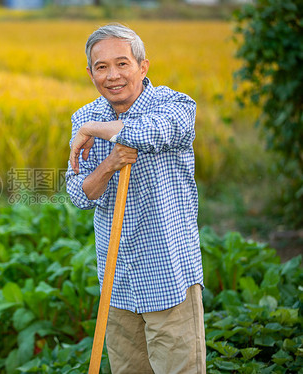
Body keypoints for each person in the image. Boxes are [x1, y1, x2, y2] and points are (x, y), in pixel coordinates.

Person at [66, 23, 206, 374]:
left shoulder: (173, 105)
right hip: (116, 279)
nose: (112, 76)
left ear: (143, 67)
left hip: (167, 275)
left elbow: (148, 132)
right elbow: (79, 194)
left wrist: (96, 132)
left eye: (122, 63)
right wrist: (110, 163)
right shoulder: (84, 116)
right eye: (101, 67)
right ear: (90, 73)